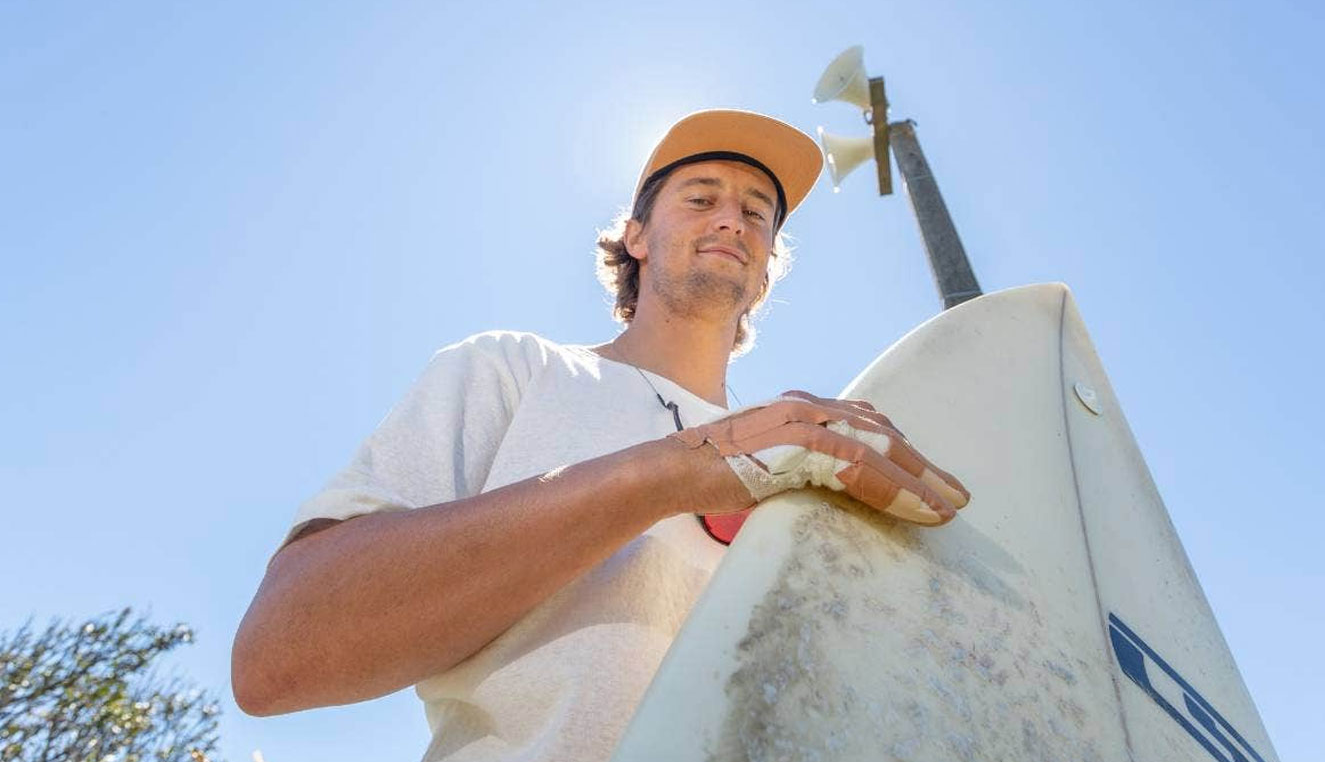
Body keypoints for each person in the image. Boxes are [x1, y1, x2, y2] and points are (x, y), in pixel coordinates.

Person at [231, 109, 969, 762]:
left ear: (767, 271)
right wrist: (668, 473)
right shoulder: (514, 369)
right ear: (636, 236)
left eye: (757, 213)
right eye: (701, 197)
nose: (732, 221)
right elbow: (277, 653)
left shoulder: (804, 460)